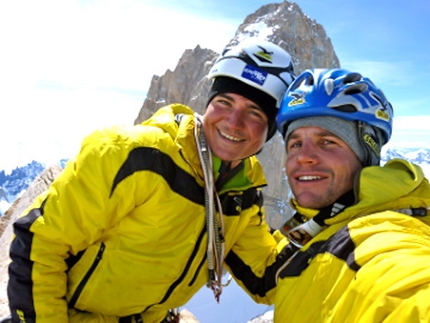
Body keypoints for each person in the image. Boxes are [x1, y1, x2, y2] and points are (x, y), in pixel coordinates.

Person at [6, 38, 296, 323]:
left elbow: (266, 276)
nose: (233, 122)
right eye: (224, 101)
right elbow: (40, 244)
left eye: (254, 112)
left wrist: (322, 220)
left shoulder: (241, 190)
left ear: (270, 130)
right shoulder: (132, 155)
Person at [273, 68, 430, 322]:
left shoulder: (382, 237)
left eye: (328, 141)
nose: (303, 156)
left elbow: (407, 289)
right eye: (296, 144)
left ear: (367, 154)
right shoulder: (320, 226)